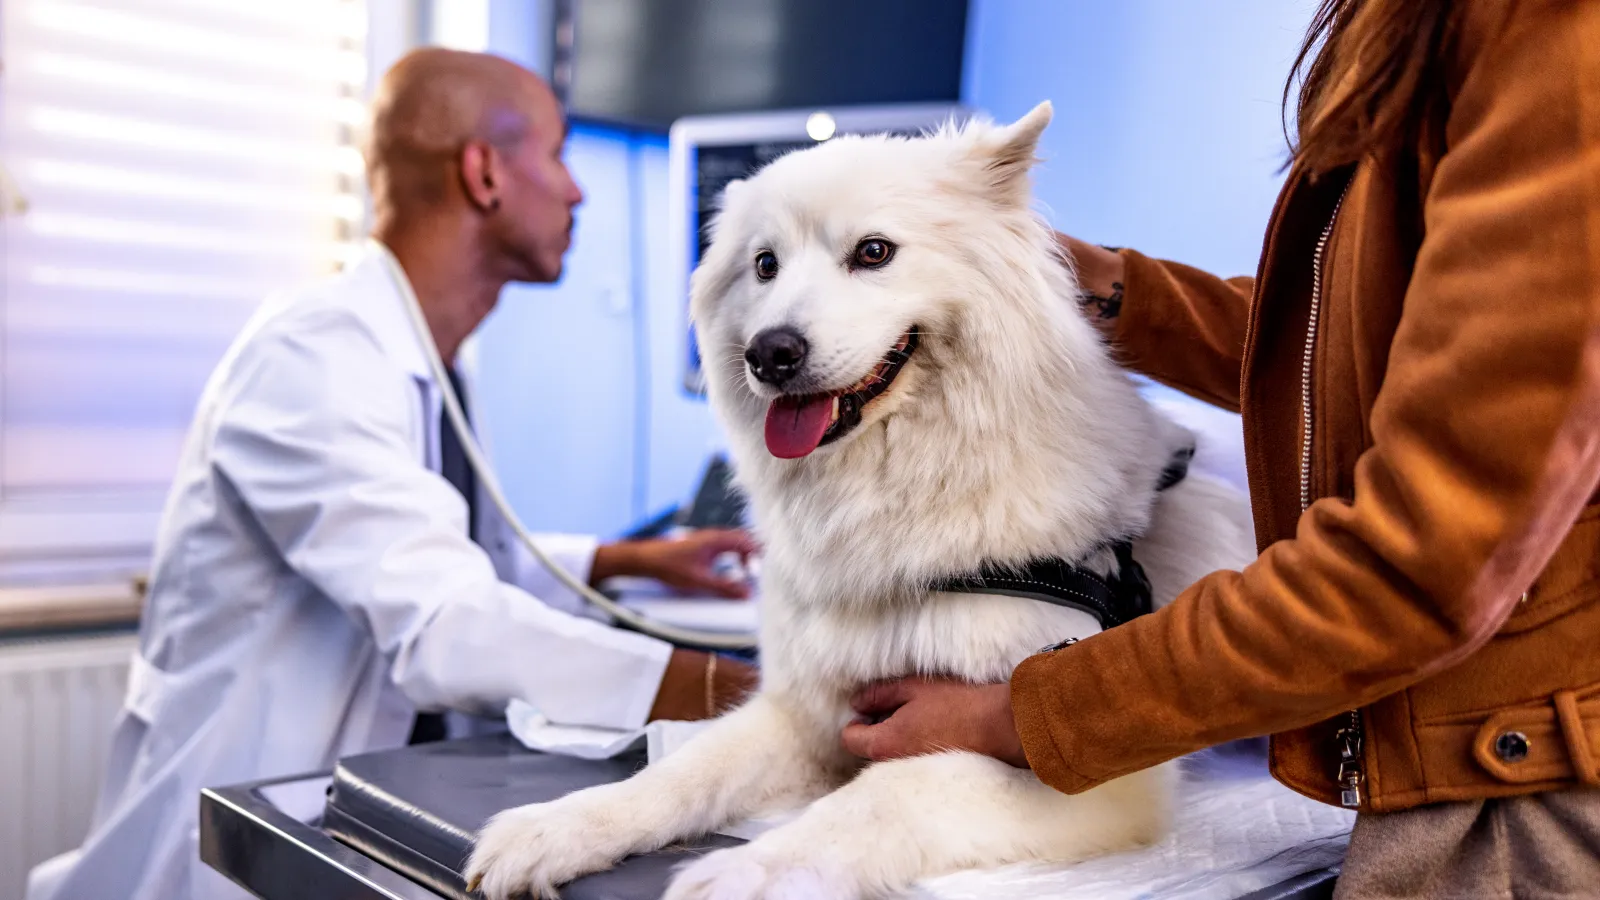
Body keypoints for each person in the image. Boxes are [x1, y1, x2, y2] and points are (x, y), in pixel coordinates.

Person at [841, 2, 1600, 896]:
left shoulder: (1551, 35)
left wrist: (1030, 712)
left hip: (1525, 793)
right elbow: (1360, 351)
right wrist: (1123, 295)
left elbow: (1421, 562)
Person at [27, 49, 758, 900]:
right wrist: (741, 693)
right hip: (242, 829)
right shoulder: (316, 356)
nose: (578, 190)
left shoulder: (434, 362)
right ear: (483, 172)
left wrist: (627, 561)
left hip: (349, 797)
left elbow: (450, 556)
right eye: (556, 155)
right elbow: (446, 624)